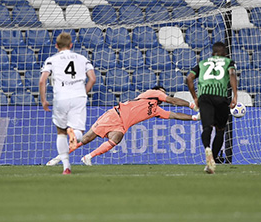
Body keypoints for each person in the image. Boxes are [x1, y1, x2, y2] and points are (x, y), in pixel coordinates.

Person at [67, 86, 198, 165]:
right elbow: (173, 101)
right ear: (157, 91)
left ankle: (88, 157)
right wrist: (191, 105)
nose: (164, 95)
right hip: (115, 115)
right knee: (87, 139)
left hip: (122, 124)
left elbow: (174, 115)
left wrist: (194, 117)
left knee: (116, 139)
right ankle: (61, 155)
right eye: (162, 92)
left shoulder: (157, 110)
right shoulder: (152, 93)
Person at [39, 32, 96, 174]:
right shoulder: (82, 58)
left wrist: (44, 100)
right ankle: (74, 134)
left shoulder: (51, 60)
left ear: (56, 46)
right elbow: (92, 78)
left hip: (61, 97)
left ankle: (66, 167)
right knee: (79, 132)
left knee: (61, 133)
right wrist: (84, 92)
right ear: (71, 45)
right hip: (78, 96)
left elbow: (42, 80)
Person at [186, 41, 238, 174]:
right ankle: (212, 160)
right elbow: (232, 74)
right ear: (225, 53)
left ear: (212, 53)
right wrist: (235, 96)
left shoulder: (203, 63)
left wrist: (195, 97)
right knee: (220, 129)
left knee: (207, 127)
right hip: (221, 97)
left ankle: (207, 148)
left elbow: (189, 78)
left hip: (205, 97)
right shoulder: (228, 62)